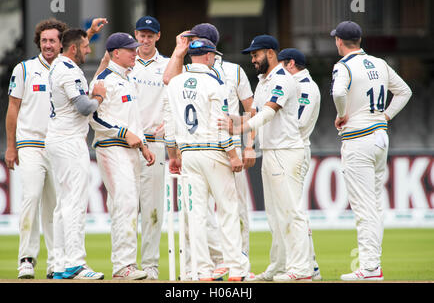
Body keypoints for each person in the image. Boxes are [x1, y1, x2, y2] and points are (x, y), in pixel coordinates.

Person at [4, 17, 107, 279]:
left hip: (53, 143)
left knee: (57, 205)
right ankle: (28, 258)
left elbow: (77, 44)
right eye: (44, 40)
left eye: (53, 40)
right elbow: (13, 109)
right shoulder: (26, 69)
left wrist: (91, 33)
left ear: (61, 44)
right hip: (32, 143)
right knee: (33, 198)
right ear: (38, 42)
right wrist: (10, 146)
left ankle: (56, 262)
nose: (48, 45)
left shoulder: (62, 66)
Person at [164, 23, 255, 280]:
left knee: (197, 215)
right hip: (215, 152)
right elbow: (220, 123)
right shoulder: (216, 83)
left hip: (188, 153)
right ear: (209, 55)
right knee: (228, 211)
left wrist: (173, 154)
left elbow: (169, 123)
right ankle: (236, 270)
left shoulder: (176, 82)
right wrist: (233, 154)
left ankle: (203, 270)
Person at [221, 35, 312, 281]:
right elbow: (253, 113)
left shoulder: (283, 78)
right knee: (274, 214)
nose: (253, 59)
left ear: (270, 53)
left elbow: (270, 112)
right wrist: (235, 124)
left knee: (291, 211)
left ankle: (302, 269)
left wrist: (239, 129)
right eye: (251, 55)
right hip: (270, 151)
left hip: (286, 151)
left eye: (256, 54)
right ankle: (280, 266)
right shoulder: (263, 81)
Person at [330, 21, 412, 281]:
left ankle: (369, 269)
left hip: (358, 139)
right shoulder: (379, 63)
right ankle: (373, 265)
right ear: (360, 40)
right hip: (379, 138)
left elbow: (338, 91)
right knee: (375, 206)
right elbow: (404, 92)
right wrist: (385, 116)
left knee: (364, 209)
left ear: (340, 41)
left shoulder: (343, 66)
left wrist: (342, 115)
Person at [89, 32, 155, 280]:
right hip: (111, 148)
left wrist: (144, 145)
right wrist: (123, 132)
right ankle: (123, 266)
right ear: (116, 52)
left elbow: (134, 119)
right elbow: (93, 117)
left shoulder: (128, 79)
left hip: (131, 151)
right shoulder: (102, 80)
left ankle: (124, 265)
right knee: (125, 204)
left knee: (128, 207)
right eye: (131, 49)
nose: (136, 52)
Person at [46, 28, 107, 280]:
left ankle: (60, 264)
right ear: (73, 49)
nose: (88, 50)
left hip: (59, 139)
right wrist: (99, 98)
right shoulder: (69, 71)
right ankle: (75, 264)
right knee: (74, 204)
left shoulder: (57, 67)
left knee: (63, 205)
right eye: (85, 46)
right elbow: (83, 107)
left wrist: (89, 31)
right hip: (69, 142)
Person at [129, 16, 169, 280]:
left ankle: (151, 266)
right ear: (135, 35)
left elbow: (175, 99)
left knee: (153, 209)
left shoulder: (167, 65)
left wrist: (169, 124)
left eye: (150, 35)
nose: (145, 39)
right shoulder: (123, 63)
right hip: (126, 144)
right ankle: (126, 265)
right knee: (126, 208)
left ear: (157, 36)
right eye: (141, 35)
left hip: (155, 143)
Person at [278, 48, 322, 280]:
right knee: (291, 209)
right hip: (290, 148)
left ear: (291, 63)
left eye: (281, 65)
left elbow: (300, 121)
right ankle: (311, 266)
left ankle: (303, 267)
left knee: (294, 210)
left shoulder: (304, 86)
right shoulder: (296, 84)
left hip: (295, 148)